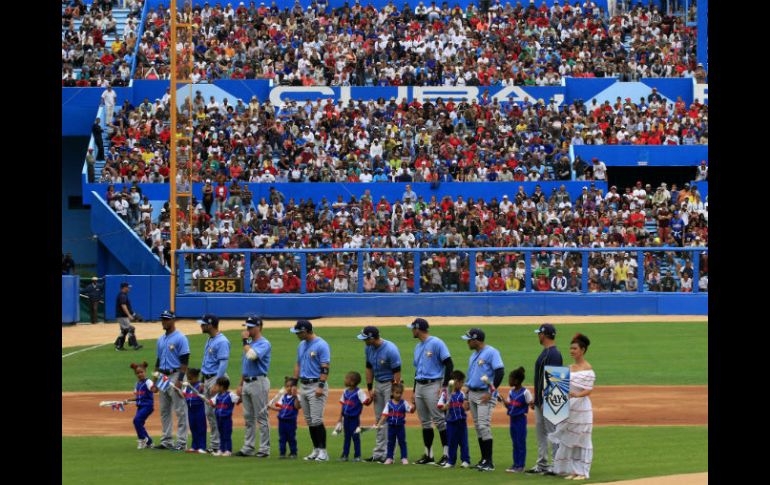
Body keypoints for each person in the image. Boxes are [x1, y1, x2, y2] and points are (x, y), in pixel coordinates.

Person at [548, 334, 595, 480]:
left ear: (582, 350)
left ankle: (583, 472)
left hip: (582, 410)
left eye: (575, 348)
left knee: (582, 440)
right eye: (571, 348)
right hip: (570, 409)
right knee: (570, 440)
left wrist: (576, 395)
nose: (572, 351)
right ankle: (574, 470)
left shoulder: (587, 368)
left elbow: (588, 390)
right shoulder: (568, 368)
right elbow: (558, 386)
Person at [408, 317, 452, 465]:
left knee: (440, 421)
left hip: (434, 385)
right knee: (425, 422)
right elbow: (417, 370)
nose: (411, 331)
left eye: (413, 328)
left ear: (418, 329)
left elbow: (449, 364)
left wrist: (444, 386)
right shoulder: (418, 347)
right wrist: (414, 391)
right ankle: (429, 455)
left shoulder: (436, 343)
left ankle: (447, 454)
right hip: (420, 386)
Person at [461, 327, 504, 472]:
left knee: (484, 426)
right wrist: (466, 397)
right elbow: (470, 378)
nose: (467, 343)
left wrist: (491, 392)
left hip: (485, 394)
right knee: (478, 427)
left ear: (476, 340)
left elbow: (500, 371)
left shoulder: (492, 352)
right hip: (472, 394)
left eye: (469, 340)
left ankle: (489, 462)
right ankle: (483, 459)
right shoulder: (473, 356)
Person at [357, 326, 402, 463]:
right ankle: (378, 453)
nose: (364, 341)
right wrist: (370, 388)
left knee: (389, 418)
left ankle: (389, 455)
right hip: (378, 384)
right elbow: (368, 368)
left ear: (372, 338)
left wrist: (394, 393)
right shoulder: (368, 348)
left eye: (365, 338)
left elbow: (397, 372)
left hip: (390, 384)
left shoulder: (390, 349)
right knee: (378, 419)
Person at [291, 319, 331, 461]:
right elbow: (298, 364)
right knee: (309, 420)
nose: (296, 335)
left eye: (298, 332)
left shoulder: (321, 345)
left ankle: (323, 451)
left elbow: (325, 367)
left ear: (306, 331)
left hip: (316, 386)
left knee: (317, 420)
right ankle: (316, 449)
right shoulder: (301, 345)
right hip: (304, 385)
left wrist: (321, 386)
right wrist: (294, 383)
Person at [526, 323, 563, 475]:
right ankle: (542, 464)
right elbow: (540, 378)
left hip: (550, 400)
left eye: (539, 333)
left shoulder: (553, 354)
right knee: (541, 433)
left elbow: (555, 379)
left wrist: (547, 401)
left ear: (544, 334)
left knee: (553, 433)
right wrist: (536, 398)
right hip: (541, 400)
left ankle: (557, 465)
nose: (538, 336)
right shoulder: (546, 352)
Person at [235, 316, 272, 457]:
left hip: (259, 382)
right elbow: (246, 366)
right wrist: (240, 385)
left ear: (258, 327)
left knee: (261, 417)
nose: (247, 330)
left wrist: (245, 341)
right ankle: (248, 447)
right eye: (247, 327)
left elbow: (252, 356)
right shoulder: (249, 344)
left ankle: (264, 449)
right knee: (248, 417)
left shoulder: (264, 343)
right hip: (247, 382)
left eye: (250, 327)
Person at [153, 310, 190, 450]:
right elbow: (158, 361)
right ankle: (166, 441)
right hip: (163, 377)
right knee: (164, 410)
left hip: (176, 375)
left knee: (180, 410)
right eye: (163, 319)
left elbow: (185, 361)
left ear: (173, 320)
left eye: (167, 319)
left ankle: (181, 442)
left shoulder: (181, 338)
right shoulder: (160, 339)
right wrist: (155, 380)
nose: (164, 321)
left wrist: (180, 379)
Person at [198, 314, 231, 454]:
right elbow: (207, 361)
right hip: (207, 378)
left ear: (210, 325)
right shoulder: (210, 339)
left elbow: (223, 363)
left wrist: (217, 383)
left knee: (216, 413)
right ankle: (215, 444)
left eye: (203, 324)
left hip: (215, 379)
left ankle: (219, 445)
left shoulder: (222, 341)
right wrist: (201, 380)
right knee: (210, 413)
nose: (201, 326)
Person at [374, 382, 414, 465]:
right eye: (396, 393)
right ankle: (389, 458)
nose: (398, 395)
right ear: (392, 393)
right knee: (390, 443)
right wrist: (379, 424)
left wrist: (415, 405)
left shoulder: (404, 403)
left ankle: (404, 458)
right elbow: (384, 416)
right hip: (391, 427)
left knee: (402, 442)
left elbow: (411, 410)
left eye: (400, 393)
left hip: (400, 427)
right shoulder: (389, 404)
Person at [335, 371, 371, 462]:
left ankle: (357, 455)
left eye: (347, 378)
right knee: (346, 437)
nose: (345, 380)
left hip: (354, 419)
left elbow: (366, 402)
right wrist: (340, 418)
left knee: (355, 436)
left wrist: (372, 398)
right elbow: (343, 405)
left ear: (352, 382)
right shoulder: (345, 392)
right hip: (346, 418)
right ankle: (345, 455)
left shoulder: (359, 392)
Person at [503, 367, 533, 473]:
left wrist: (533, 404)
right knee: (515, 443)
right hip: (513, 420)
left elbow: (531, 404)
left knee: (520, 443)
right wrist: (504, 402)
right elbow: (509, 406)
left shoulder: (525, 392)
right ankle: (515, 464)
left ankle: (521, 465)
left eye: (510, 378)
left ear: (516, 380)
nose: (509, 381)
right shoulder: (511, 393)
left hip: (520, 420)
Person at [438, 370, 470, 469]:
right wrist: (446, 406)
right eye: (459, 382)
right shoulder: (446, 394)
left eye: (462, 382)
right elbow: (440, 406)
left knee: (463, 441)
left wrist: (466, 406)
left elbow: (466, 407)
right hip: (450, 422)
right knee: (452, 442)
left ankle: (465, 460)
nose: (461, 384)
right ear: (453, 382)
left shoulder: (462, 394)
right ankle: (451, 461)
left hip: (461, 421)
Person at [207, 376, 240, 456]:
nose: (215, 387)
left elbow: (238, 400)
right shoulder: (217, 396)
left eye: (217, 386)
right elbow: (212, 402)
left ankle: (228, 450)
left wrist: (239, 396)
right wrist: (210, 403)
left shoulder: (230, 395)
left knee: (227, 435)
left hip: (227, 419)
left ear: (222, 387)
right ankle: (221, 450)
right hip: (218, 418)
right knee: (221, 434)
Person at [130, 361, 158, 449]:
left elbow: (154, 390)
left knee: (136, 420)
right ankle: (149, 442)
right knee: (139, 423)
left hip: (147, 406)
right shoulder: (137, 384)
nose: (140, 374)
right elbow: (138, 397)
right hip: (140, 406)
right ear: (135, 374)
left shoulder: (148, 382)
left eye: (141, 372)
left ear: (145, 372)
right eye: (138, 373)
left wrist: (156, 386)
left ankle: (142, 439)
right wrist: (129, 400)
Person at [273, 377, 301, 459]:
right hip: (281, 421)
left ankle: (293, 452)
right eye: (287, 386)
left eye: (291, 386)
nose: (289, 388)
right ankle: (282, 453)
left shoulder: (297, 398)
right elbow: (279, 408)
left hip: (290, 421)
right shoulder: (283, 397)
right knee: (282, 438)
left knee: (291, 437)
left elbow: (297, 406)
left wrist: (295, 396)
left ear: (295, 387)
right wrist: (270, 407)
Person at [182, 368, 208, 454]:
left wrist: (202, 386)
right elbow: (184, 395)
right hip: (190, 410)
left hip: (199, 409)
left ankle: (202, 447)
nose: (189, 380)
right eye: (188, 378)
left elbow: (202, 392)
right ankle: (194, 446)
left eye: (191, 378)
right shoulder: (188, 386)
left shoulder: (200, 385)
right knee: (193, 428)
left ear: (196, 377)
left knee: (201, 428)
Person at [115, 282, 142, 351]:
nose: (129, 288)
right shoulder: (122, 296)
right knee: (131, 329)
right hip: (122, 316)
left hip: (122, 316)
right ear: (124, 287)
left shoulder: (123, 295)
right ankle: (134, 345)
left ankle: (118, 345)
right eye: (128, 287)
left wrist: (133, 314)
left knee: (124, 331)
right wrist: (129, 315)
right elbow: (123, 306)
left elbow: (128, 307)